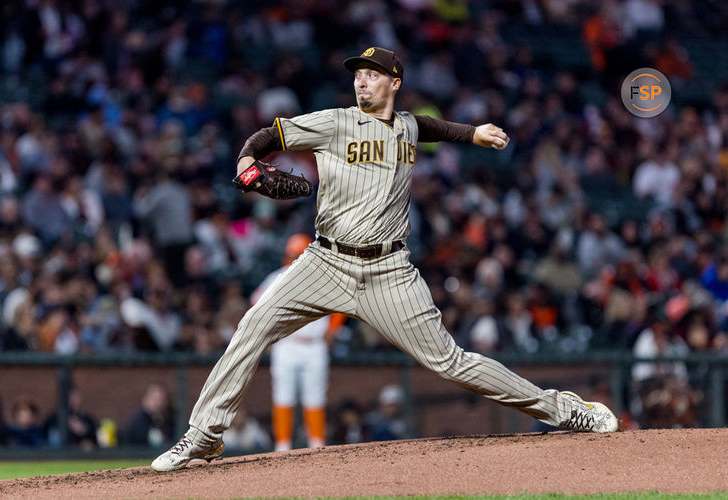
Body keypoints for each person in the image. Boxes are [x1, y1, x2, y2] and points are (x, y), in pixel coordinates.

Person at [152, 46, 618, 472]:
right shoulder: (334, 122)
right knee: (252, 328)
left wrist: (472, 133)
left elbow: (429, 127)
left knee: (451, 362)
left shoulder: (410, 126)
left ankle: (565, 409)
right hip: (325, 262)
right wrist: (245, 160)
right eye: (358, 74)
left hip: (389, 272)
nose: (361, 82)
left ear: (394, 83)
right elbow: (268, 135)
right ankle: (203, 436)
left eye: (373, 75)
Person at [251, 233, 345, 451]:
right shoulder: (278, 277)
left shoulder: (323, 279)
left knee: (316, 396)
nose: (292, 259)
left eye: (296, 255)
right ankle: (282, 446)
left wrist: (333, 329)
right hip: (287, 344)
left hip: (314, 345)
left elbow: (343, 302)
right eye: (291, 255)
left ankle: (316, 444)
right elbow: (255, 303)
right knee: (283, 395)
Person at [123, 383, 174, 447]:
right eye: (153, 399)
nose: (157, 403)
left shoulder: (173, 421)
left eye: (160, 399)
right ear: (145, 400)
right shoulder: (137, 422)